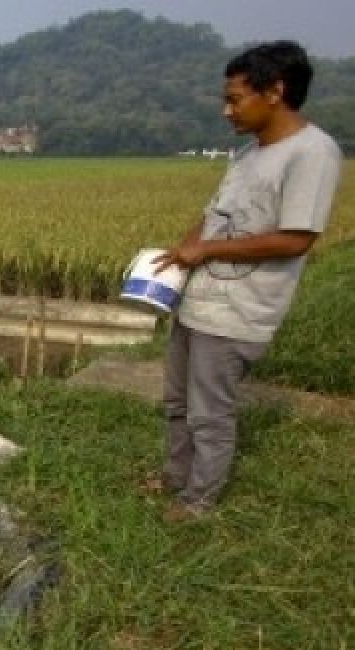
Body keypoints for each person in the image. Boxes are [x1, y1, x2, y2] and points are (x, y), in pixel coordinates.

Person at [150, 40, 342, 522]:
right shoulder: (248, 154)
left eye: (235, 98)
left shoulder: (312, 153)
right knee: (177, 401)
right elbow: (212, 217)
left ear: (275, 92)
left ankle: (198, 502)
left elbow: (297, 238)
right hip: (200, 300)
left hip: (239, 309)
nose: (227, 110)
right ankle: (176, 476)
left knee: (209, 412)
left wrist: (207, 250)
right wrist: (183, 253)